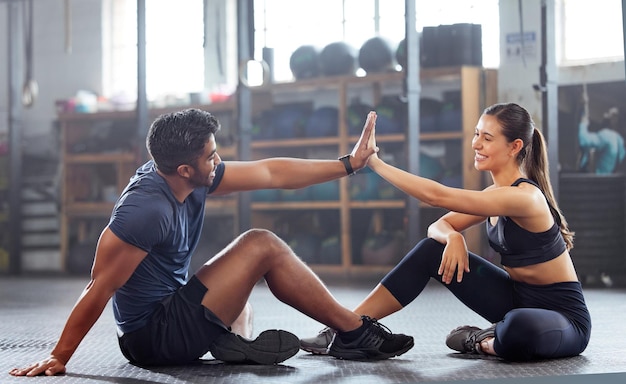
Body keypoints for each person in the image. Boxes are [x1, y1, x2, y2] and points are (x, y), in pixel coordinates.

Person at [10, 108, 414, 377]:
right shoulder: (145, 210)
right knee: (261, 244)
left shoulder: (188, 174)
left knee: (242, 298)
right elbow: (99, 287)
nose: (219, 161)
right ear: (185, 168)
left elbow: (271, 173)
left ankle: (234, 342)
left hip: (172, 310)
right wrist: (59, 356)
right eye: (212, 157)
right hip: (153, 337)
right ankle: (354, 332)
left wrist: (348, 164)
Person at [301, 103, 591, 361]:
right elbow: (437, 224)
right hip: (514, 298)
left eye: (487, 138)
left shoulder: (525, 198)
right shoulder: (494, 194)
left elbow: (436, 196)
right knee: (431, 249)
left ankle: (481, 341)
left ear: (514, 146)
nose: (476, 144)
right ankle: (348, 327)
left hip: (562, 318)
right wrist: (453, 236)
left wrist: (374, 163)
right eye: (477, 134)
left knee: (519, 327)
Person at [578, 107, 625, 174]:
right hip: (610, 182)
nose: (604, 115)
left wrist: (583, 123)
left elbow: (584, 141)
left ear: (615, 119)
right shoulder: (621, 141)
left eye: (608, 113)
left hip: (597, 182)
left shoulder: (607, 135)